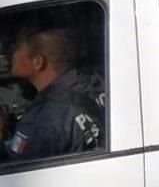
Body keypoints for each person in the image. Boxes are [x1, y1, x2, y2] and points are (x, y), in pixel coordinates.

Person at [0, 24, 105, 162]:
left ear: (38, 62)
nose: (11, 52)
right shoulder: (96, 82)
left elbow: (13, 174)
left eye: (17, 47)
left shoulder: (40, 122)